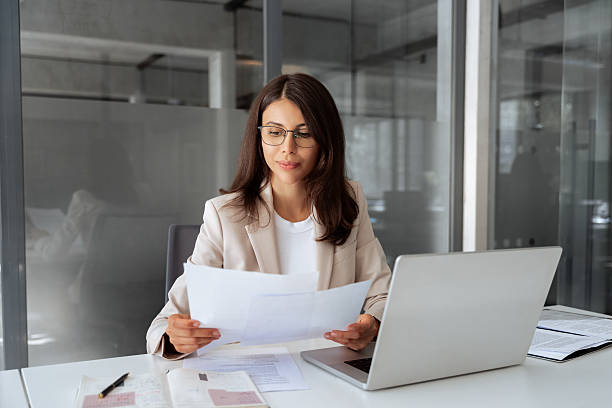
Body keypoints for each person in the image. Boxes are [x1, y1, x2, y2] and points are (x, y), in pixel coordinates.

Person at [146, 73, 391, 359]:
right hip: (254, 375)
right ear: (259, 137)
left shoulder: (349, 201)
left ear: (325, 139)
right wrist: (175, 337)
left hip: (328, 369)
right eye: (275, 132)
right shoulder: (224, 215)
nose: (288, 148)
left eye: (304, 133)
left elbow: (383, 296)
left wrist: (371, 323)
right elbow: (164, 323)